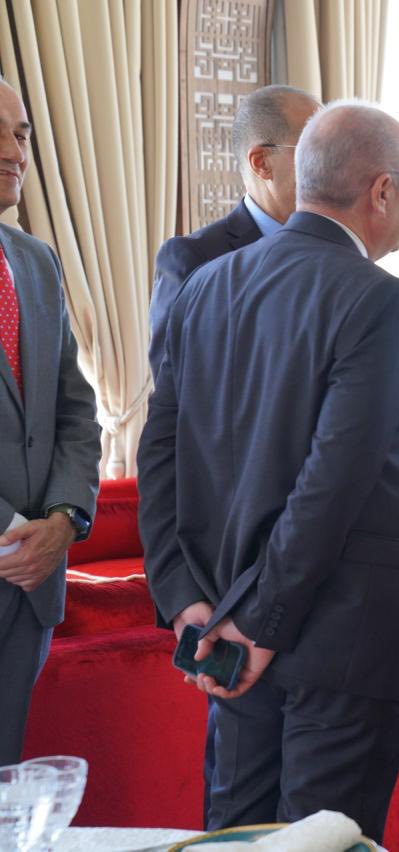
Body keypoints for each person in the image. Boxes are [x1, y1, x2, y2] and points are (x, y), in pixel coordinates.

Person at [138, 100, 399, 842]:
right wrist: (261, 622)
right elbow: (333, 483)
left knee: (235, 838)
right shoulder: (376, 296)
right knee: (323, 842)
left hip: (224, 633)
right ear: (383, 191)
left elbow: (159, 453)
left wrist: (185, 599)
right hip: (334, 643)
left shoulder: (206, 284)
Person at [0, 77, 100, 766]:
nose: (16, 152)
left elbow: (75, 410)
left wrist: (63, 520)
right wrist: (11, 536)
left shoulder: (35, 262)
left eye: (22, 134)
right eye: (0, 134)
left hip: (32, 591)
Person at [148, 84, 320, 376]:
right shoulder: (195, 257)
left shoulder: (337, 250)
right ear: (261, 163)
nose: (328, 164)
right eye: (313, 150)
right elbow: (174, 380)